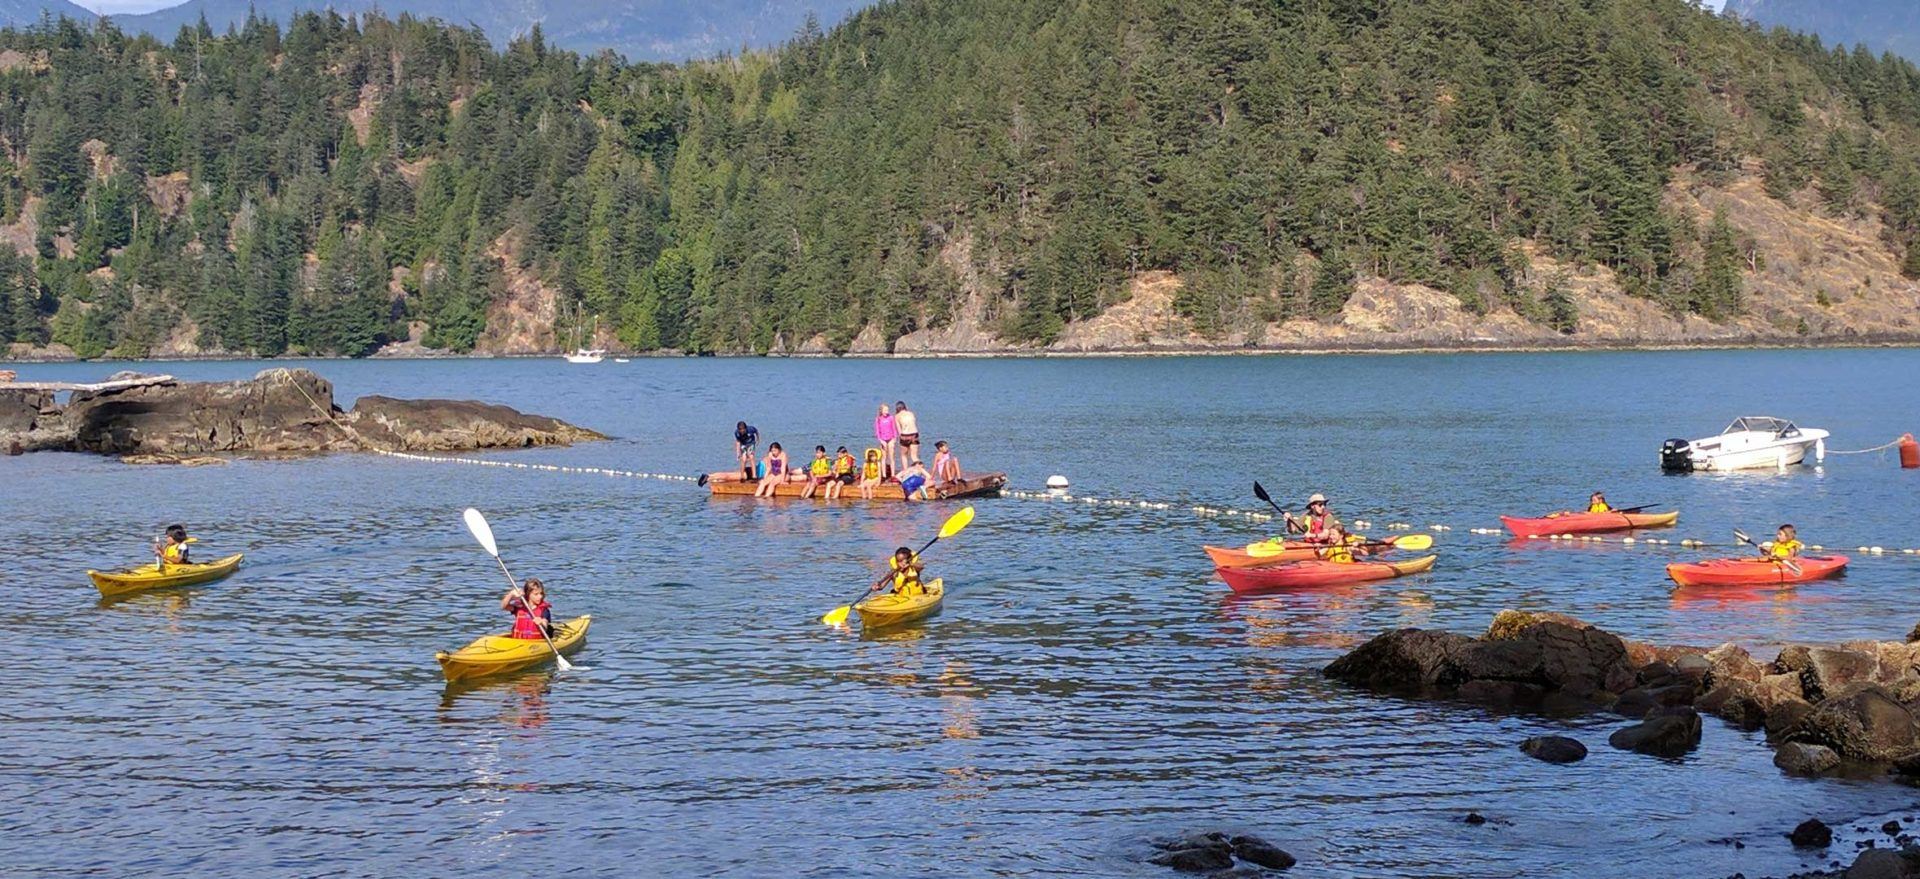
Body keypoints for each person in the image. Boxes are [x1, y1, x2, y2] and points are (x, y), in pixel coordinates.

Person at [874, 404, 899, 479]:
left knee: (891, 457)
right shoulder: (878, 419)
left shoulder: (891, 418)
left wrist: (895, 438)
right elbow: (877, 431)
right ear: (881, 411)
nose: (886, 412)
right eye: (885, 410)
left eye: (887, 410)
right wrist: (881, 440)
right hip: (883, 439)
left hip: (891, 438)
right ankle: (884, 475)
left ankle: (893, 474)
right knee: (884, 457)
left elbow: (894, 428)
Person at [894, 400, 921, 465]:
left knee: (904, 455)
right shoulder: (911, 413)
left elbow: (899, 429)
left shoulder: (897, 416)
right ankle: (920, 470)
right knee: (914, 456)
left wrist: (900, 437)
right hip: (914, 434)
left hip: (904, 435)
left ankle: (905, 471)